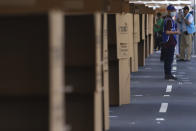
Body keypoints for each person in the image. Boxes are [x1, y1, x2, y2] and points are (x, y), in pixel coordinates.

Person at [162, 5, 180, 80]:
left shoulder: (167, 19)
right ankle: (168, 74)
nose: (174, 12)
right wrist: (176, 32)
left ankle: (167, 74)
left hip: (167, 41)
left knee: (167, 59)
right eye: (173, 11)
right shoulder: (169, 20)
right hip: (169, 42)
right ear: (169, 11)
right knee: (169, 59)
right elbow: (167, 31)